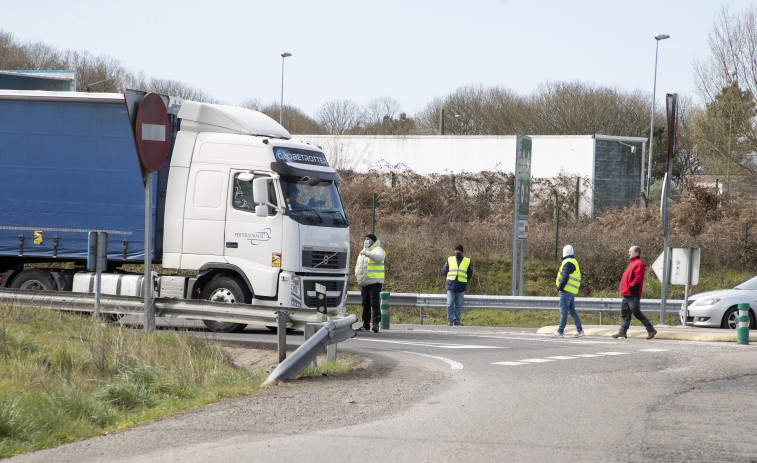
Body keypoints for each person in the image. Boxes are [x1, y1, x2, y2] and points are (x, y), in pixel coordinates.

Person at [613, 245, 657, 339]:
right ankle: (622, 332)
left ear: (637, 253)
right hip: (626, 293)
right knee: (625, 313)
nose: (629, 253)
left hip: (632, 293)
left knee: (636, 312)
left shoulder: (639, 263)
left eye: (631, 251)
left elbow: (638, 278)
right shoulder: (631, 263)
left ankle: (651, 330)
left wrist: (631, 286)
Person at [354, 234, 385, 333]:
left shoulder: (378, 249)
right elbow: (359, 265)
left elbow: (379, 258)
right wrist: (356, 274)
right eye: (365, 239)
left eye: (368, 239)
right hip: (364, 282)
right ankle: (365, 325)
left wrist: (367, 253)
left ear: (374, 241)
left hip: (374, 281)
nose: (366, 240)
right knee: (365, 304)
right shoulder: (362, 251)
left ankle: (376, 324)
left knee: (374, 303)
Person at [552, 244, 584, 338]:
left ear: (564, 252)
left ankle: (560, 331)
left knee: (564, 311)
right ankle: (579, 330)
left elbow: (565, 276)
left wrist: (560, 287)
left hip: (565, 291)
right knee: (572, 311)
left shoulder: (567, 262)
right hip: (571, 291)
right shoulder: (574, 261)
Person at [442, 244, 473, 326]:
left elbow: (470, 274)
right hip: (451, 285)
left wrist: (465, 281)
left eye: (459, 251)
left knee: (458, 305)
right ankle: (450, 320)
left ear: (462, 252)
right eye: (456, 251)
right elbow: (445, 271)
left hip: (461, 285)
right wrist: (448, 279)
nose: (457, 252)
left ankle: (456, 320)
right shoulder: (450, 259)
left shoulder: (467, 261)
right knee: (450, 303)